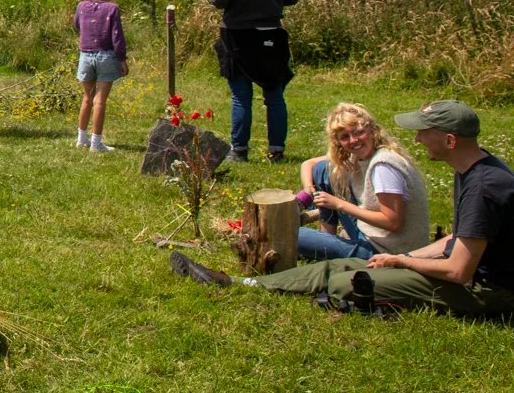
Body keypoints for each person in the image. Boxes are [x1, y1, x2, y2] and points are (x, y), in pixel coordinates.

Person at [172, 100, 514, 317]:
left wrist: (402, 260)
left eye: (424, 133)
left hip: (486, 291)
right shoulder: (471, 169)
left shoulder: (483, 188)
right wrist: (407, 257)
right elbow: (456, 239)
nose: (417, 139)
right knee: (333, 266)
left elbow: (459, 271)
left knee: (342, 284)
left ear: (450, 141)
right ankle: (234, 282)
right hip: (459, 271)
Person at [208, 0, 299, 162]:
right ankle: (276, 149)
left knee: (241, 96)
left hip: (238, 33)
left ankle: (239, 149)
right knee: (274, 94)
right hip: (271, 32)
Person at [294, 102, 430, 261]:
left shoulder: (383, 166)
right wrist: (308, 188)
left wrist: (338, 204)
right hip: (372, 233)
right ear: (338, 142)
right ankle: (326, 240)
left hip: (387, 251)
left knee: (292, 234)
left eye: (358, 132)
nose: (353, 140)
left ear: (372, 131)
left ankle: (326, 248)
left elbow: (393, 223)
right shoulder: (361, 154)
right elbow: (309, 164)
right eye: (345, 137)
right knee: (323, 169)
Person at [73, 0, 128, 152]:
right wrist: (122, 59)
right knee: (100, 101)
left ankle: (82, 138)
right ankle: (96, 143)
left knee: (87, 98)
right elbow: (117, 37)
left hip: (85, 55)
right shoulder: (112, 8)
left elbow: (77, 25)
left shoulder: (81, 6)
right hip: (106, 56)